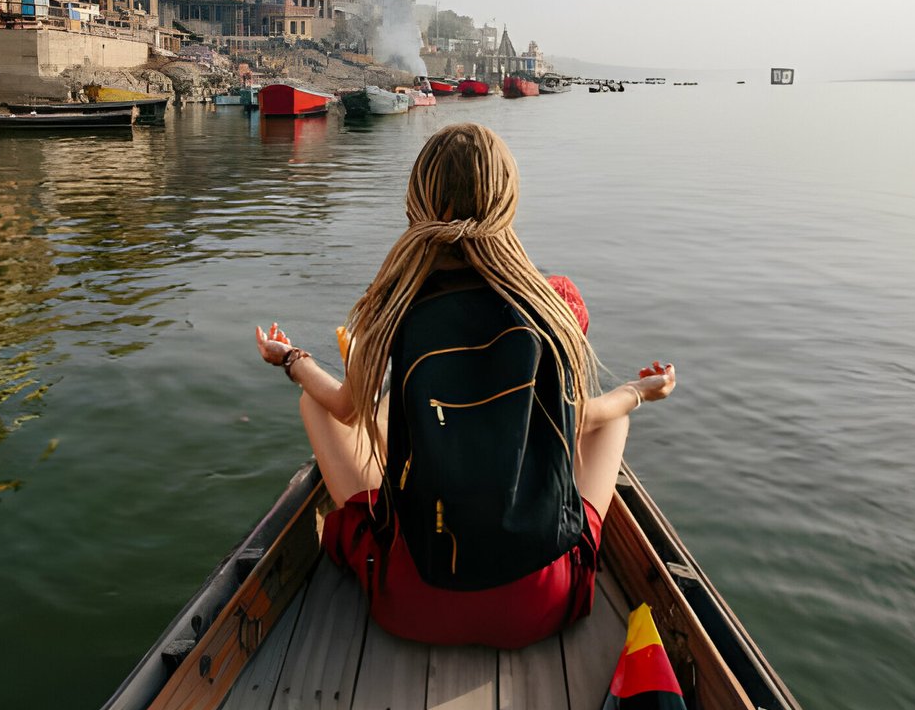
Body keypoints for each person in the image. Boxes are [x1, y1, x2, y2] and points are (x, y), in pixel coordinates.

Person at [254, 122, 675, 649]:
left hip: (413, 604)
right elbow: (579, 419)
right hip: (543, 604)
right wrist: (640, 392)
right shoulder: (555, 303)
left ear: (419, 200)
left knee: (321, 406)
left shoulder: (394, 300)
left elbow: (343, 408)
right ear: (506, 199)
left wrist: (290, 358)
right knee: (615, 418)